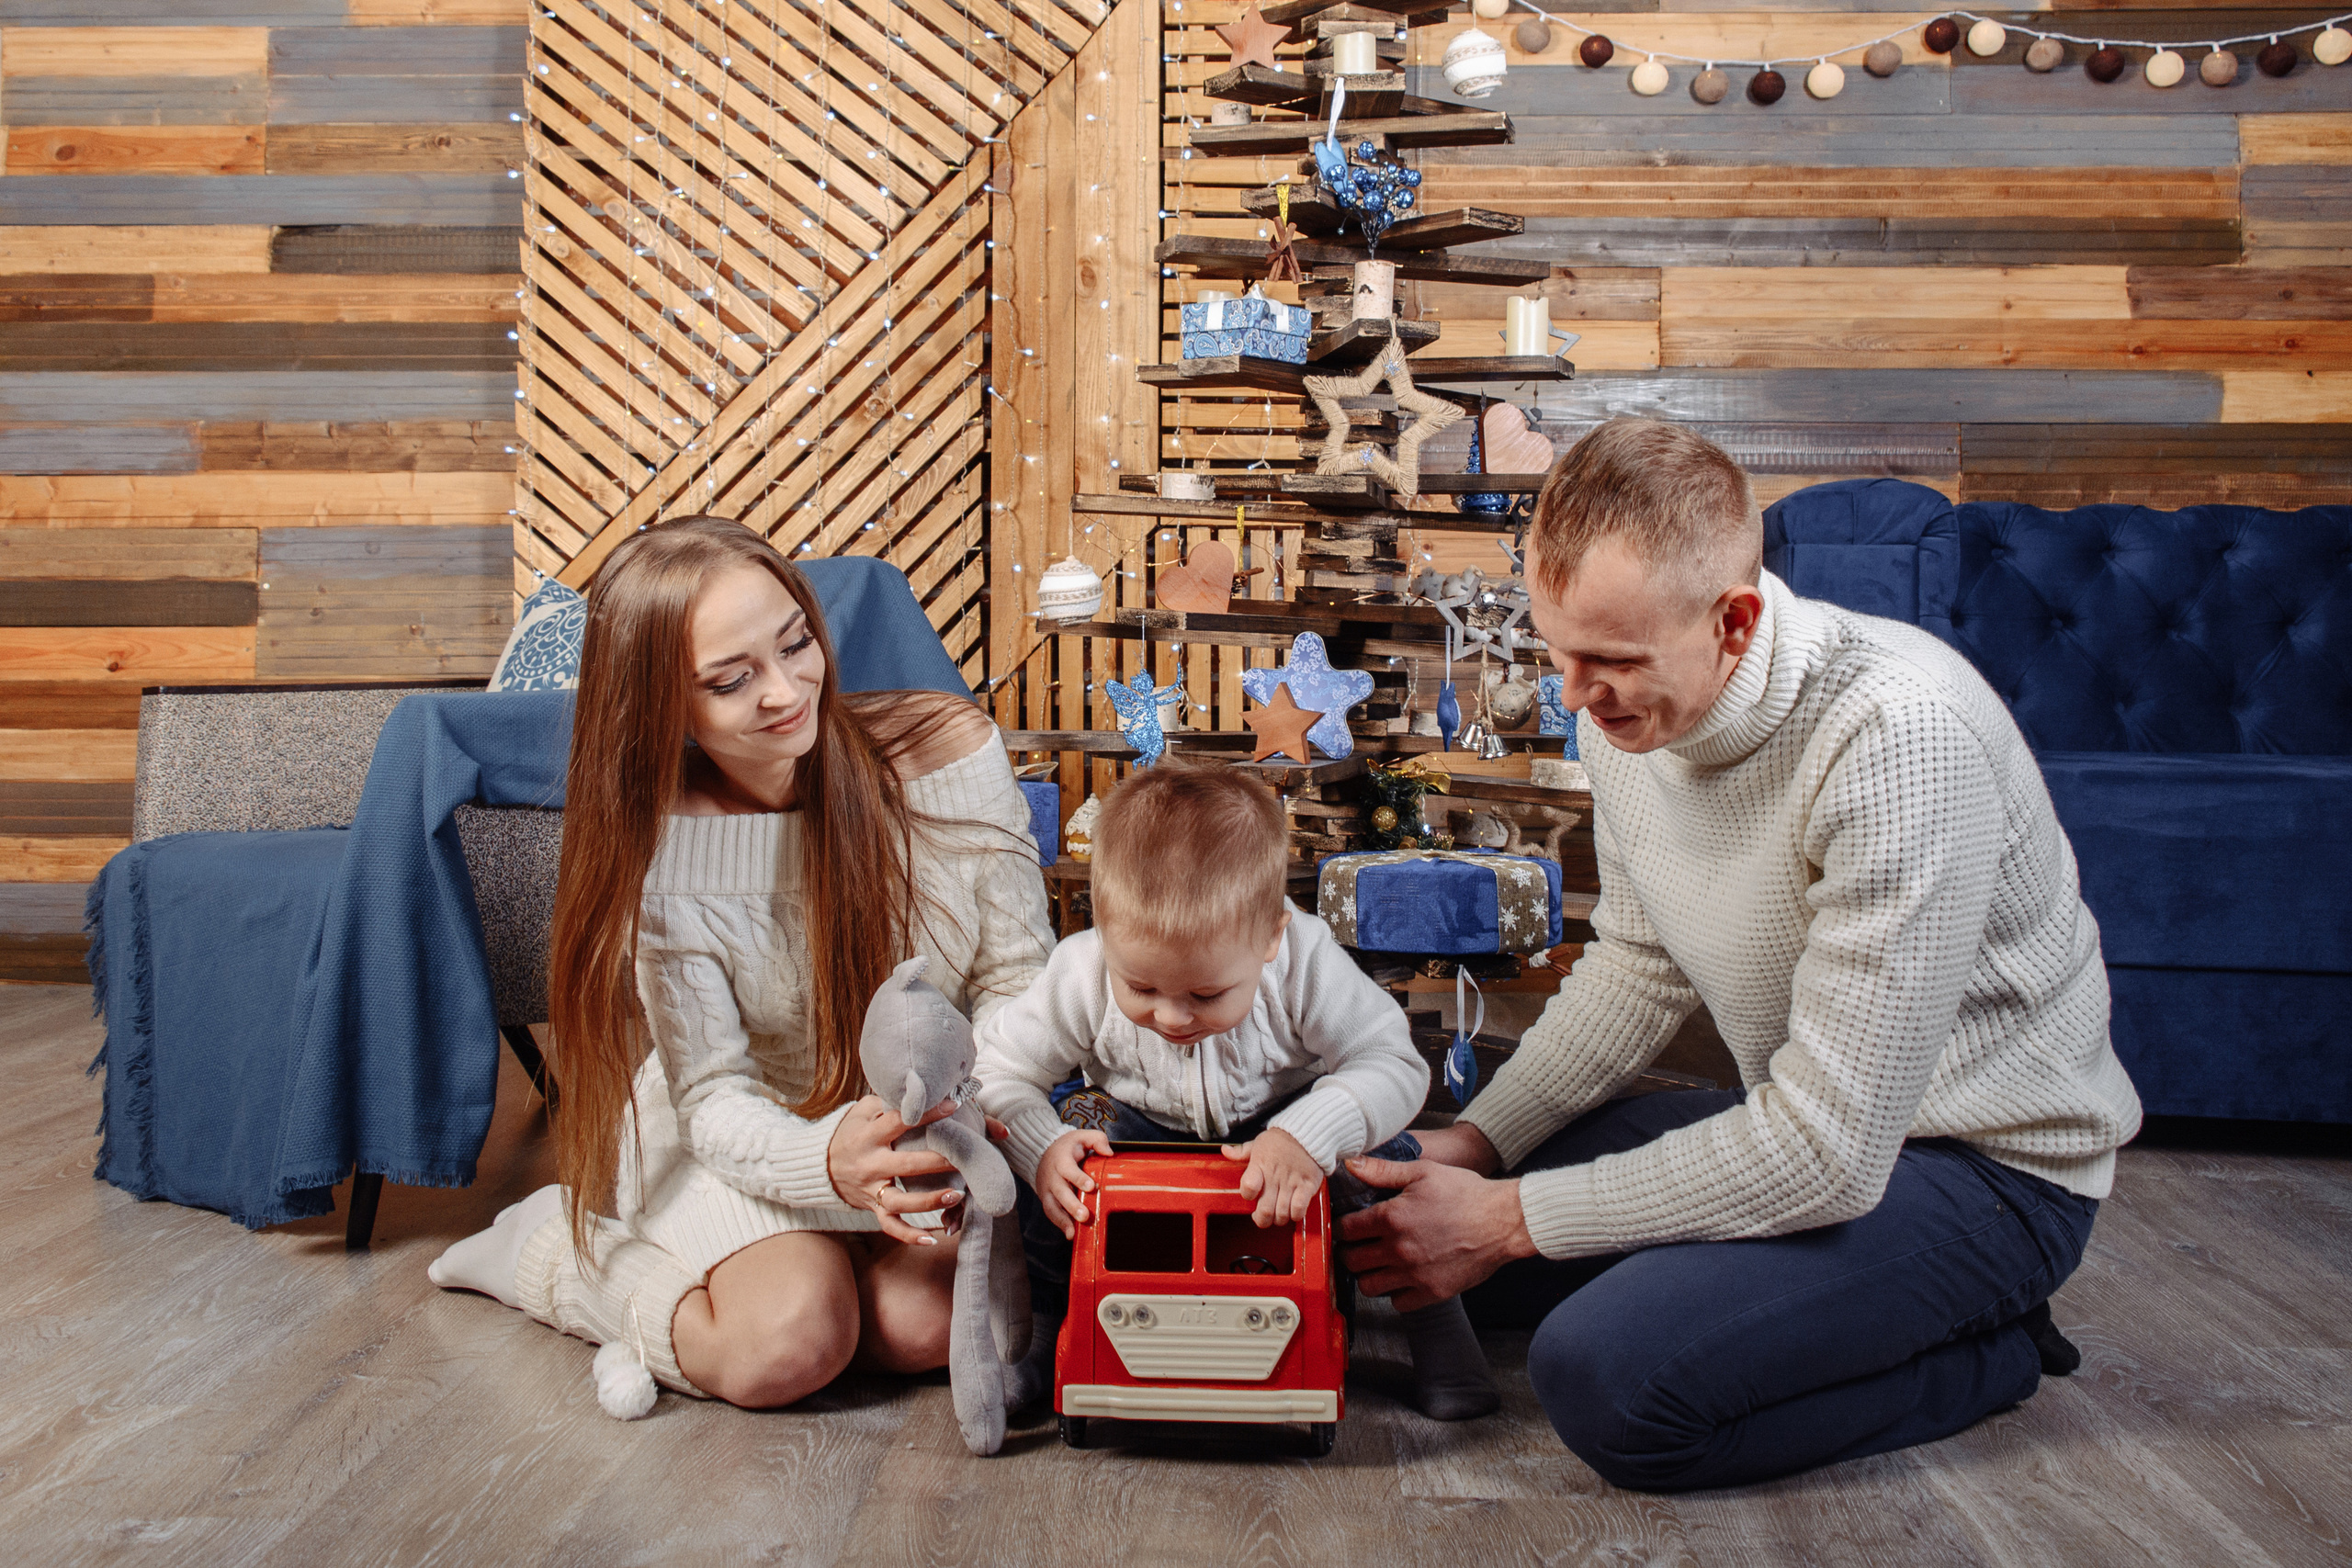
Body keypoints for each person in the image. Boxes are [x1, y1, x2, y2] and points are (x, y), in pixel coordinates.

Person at [1337, 418, 2143, 1490]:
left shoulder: (1897, 735)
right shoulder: (1624, 720)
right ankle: (1792, 1302)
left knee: (1610, 1381)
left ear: (1735, 621)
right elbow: (1636, 966)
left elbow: (1828, 1152)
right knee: (1404, 1239)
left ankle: (1984, 1351)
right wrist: (1481, 1150)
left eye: (1612, 661)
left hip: (1984, 1173)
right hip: (1815, 1126)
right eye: (1557, 650)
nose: (1574, 697)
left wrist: (1510, 1220)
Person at [428, 517, 1054, 1413]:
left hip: (910, 1139)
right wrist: (826, 1162)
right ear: (661, 710)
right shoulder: (664, 845)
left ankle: (817, 1284)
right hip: (734, 1146)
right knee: (788, 1343)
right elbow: (714, 1098)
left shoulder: (947, 752)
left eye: (795, 642)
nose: (787, 690)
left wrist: (964, 1108)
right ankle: (547, 1252)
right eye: (730, 680)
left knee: (937, 1331)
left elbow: (1015, 978)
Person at [975, 762, 1499, 1421]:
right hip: (1138, 1130)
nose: (1170, 1017)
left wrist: (1308, 1135)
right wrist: (1041, 1146)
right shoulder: (1080, 969)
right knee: (1065, 1148)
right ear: (1102, 929)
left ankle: (1433, 1317)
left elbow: (1393, 1062)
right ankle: (1052, 1323)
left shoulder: (1304, 959)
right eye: (1139, 987)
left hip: (1280, 1125)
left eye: (1205, 994)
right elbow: (998, 1074)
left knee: (1379, 1156)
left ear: (1270, 937)